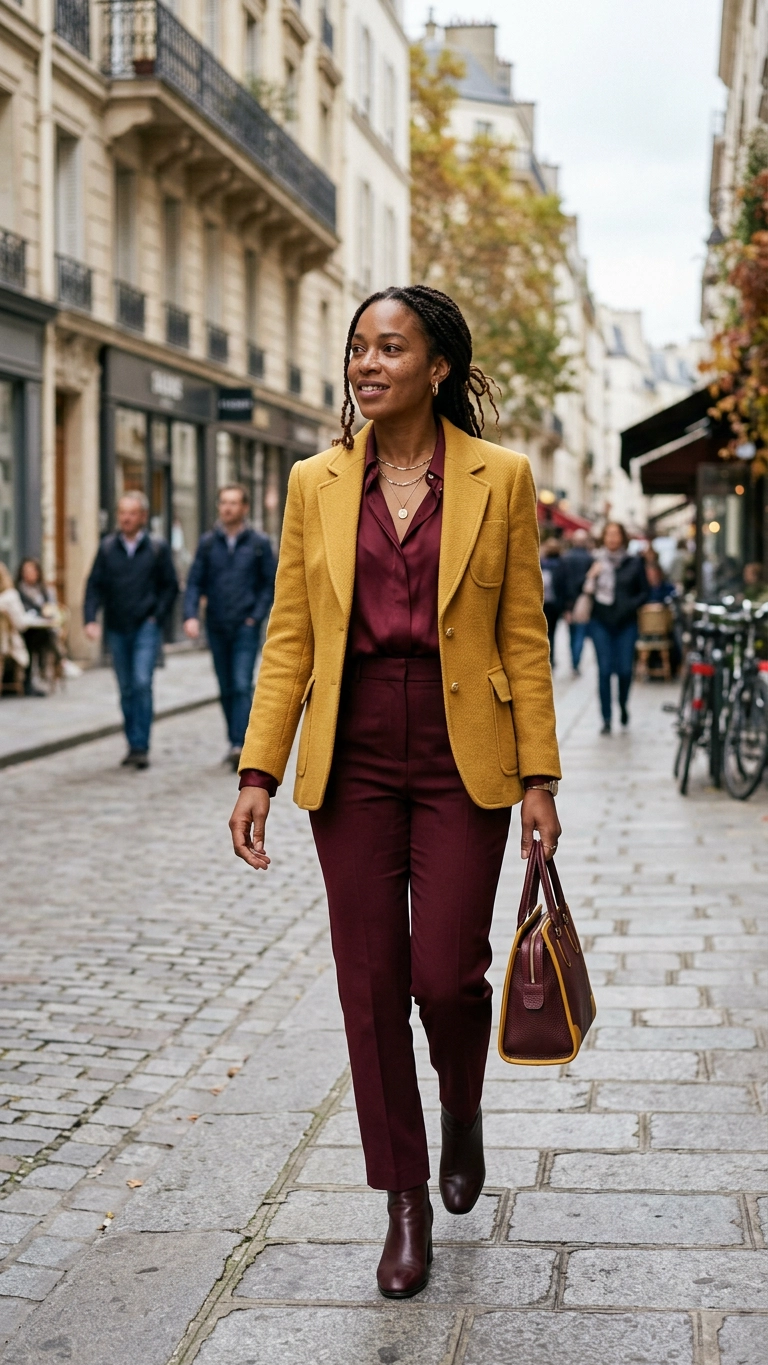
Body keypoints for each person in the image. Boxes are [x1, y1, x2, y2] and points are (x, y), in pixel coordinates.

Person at [228, 285, 562, 1300]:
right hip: (355, 748)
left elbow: (523, 633)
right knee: (370, 985)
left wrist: (541, 776)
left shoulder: (499, 478)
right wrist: (258, 768)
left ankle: (461, 1105)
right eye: (358, 349)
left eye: (389, 348)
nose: (367, 364)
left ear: (439, 367)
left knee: (446, 976)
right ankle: (403, 1195)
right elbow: (290, 632)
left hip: (467, 750)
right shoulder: (312, 482)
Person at [183, 485, 276, 769]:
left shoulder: (258, 542)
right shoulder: (209, 543)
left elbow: (270, 583)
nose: (227, 508)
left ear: (244, 508)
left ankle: (242, 744)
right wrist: (191, 616)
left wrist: (255, 616)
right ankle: (235, 739)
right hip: (217, 624)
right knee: (225, 687)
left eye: (233, 503)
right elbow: (194, 581)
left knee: (240, 683)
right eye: (223, 502)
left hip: (245, 626)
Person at [83, 491, 178, 768]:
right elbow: (94, 586)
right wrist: (90, 618)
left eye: (132, 513)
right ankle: (132, 741)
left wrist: (156, 617)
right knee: (126, 688)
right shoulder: (107, 547)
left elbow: (170, 586)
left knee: (141, 682)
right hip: (116, 626)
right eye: (122, 512)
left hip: (145, 626)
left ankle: (141, 745)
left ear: (143, 517)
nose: (125, 518)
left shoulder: (157, 548)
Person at [583, 521, 649, 734]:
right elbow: (579, 590)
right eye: (608, 534)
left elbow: (645, 592)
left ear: (623, 537)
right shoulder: (594, 560)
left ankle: (622, 704)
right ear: (603, 537)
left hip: (626, 623)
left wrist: (629, 605)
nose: (612, 538)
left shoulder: (634, 562)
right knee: (604, 671)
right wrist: (591, 577)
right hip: (600, 622)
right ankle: (606, 718)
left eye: (616, 534)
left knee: (624, 671)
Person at [16, 558, 64, 693]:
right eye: (25, 571)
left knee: (45, 636)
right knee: (38, 639)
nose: (28, 574)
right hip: (25, 631)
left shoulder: (45, 590)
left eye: (31, 571)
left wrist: (48, 613)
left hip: (43, 628)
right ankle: (52, 663)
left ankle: (42, 675)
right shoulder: (19, 591)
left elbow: (52, 609)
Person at [560, 529, 593, 674]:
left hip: (569, 601)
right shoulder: (589, 558)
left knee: (572, 634)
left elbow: (560, 582)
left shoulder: (566, 558)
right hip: (583, 601)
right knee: (579, 633)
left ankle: (574, 662)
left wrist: (565, 605)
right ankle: (575, 663)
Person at [0, 561, 32, 689]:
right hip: (6, 643)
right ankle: (27, 683)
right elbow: (21, 624)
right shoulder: (10, 597)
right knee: (37, 639)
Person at [540, 536, 565, 665]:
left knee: (551, 633)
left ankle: (550, 657)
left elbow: (564, 586)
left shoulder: (561, 564)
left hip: (553, 605)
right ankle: (545, 656)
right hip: (542, 604)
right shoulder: (540, 563)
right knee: (544, 633)